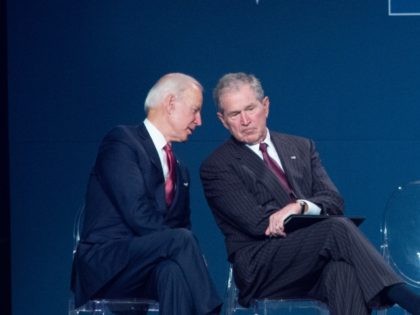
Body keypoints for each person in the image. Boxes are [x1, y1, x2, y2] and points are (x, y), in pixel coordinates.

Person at [200, 72, 420, 315]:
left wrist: (300, 207)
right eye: (234, 114)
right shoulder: (217, 165)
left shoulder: (301, 146)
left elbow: (334, 201)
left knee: (342, 270)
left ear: (266, 106)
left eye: (250, 108)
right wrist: (312, 220)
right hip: (263, 266)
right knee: (336, 227)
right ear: (222, 120)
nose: (245, 120)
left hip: (317, 260)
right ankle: (407, 299)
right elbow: (258, 223)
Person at [71, 73, 222, 315]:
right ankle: (213, 312)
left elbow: (180, 226)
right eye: (195, 110)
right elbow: (137, 213)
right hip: (109, 266)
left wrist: (181, 251)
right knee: (181, 241)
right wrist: (180, 246)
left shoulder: (180, 170)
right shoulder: (122, 141)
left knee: (173, 272)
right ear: (171, 103)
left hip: (150, 268)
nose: (199, 121)